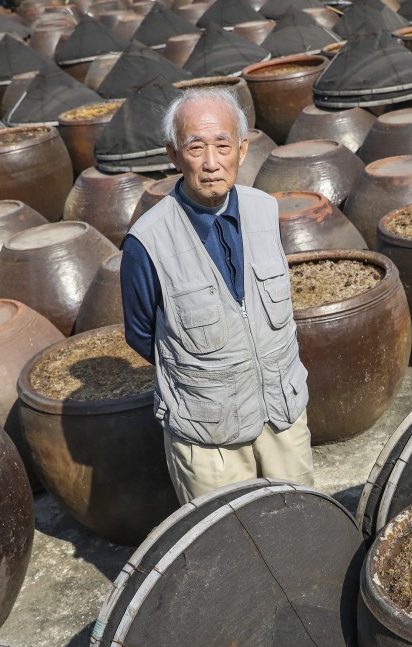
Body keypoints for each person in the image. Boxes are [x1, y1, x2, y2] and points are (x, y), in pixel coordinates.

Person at [120, 88, 314, 504]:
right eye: (196, 147)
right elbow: (142, 335)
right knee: (227, 551)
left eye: (222, 145)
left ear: (241, 150)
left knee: (302, 529)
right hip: (209, 439)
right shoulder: (147, 241)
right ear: (174, 155)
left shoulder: (264, 211)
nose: (211, 162)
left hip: (282, 419)